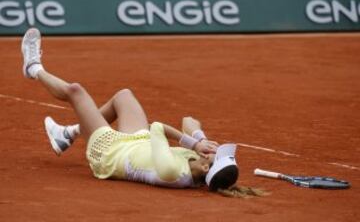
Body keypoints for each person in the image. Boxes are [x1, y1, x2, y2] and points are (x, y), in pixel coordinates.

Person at [21, 28, 239, 191]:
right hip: (136, 143)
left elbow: (157, 128)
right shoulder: (198, 163)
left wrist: (193, 144)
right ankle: (67, 134)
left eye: (214, 157)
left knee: (76, 91)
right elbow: (188, 120)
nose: (214, 152)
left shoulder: (172, 172)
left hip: (109, 155)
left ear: (204, 168)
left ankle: (33, 67)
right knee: (123, 96)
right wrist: (201, 139)